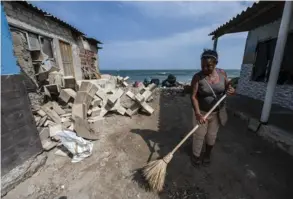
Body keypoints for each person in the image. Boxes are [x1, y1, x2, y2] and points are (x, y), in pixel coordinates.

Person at [190, 49, 235, 166]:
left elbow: (227, 87)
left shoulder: (222, 74)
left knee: (211, 135)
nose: (204, 68)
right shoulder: (197, 77)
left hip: (217, 112)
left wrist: (231, 90)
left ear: (216, 63)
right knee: (199, 135)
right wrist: (198, 114)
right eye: (202, 66)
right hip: (202, 112)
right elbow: (194, 96)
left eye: (208, 66)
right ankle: (196, 155)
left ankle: (207, 154)